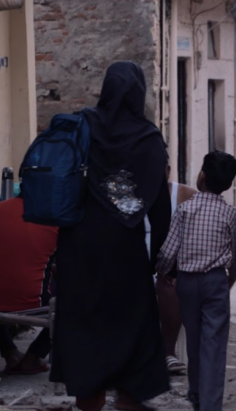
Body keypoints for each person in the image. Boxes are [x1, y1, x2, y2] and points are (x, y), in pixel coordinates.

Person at [50, 62, 172, 411]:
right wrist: (158, 261)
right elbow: (158, 209)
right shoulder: (147, 139)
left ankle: (90, 403)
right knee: (131, 332)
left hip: (79, 247)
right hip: (125, 252)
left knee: (85, 331)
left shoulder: (82, 127)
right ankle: (127, 402)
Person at [156, 151, 236, 411]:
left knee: (193, 341)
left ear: (201, 176)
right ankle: (210, 404)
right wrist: (233, 277)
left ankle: (195, 393)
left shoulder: (185, 209)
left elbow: (168, 251)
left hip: (186, 284)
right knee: (213, 344)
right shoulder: (230, 214)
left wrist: (164, 272)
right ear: (228, 185)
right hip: (215, 282)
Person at [0, 194, 58, 375]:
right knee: (77, 300)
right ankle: (34, 356)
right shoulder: (57, 215)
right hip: (29, 302)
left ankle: (9, 353)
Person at [144, 161, 197, 377]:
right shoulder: (128, 194)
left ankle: (167, 352)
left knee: (171, 286)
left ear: (168, 170)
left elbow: (197, 235)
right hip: (132, 267)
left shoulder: (184, 194)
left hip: (170, 268)